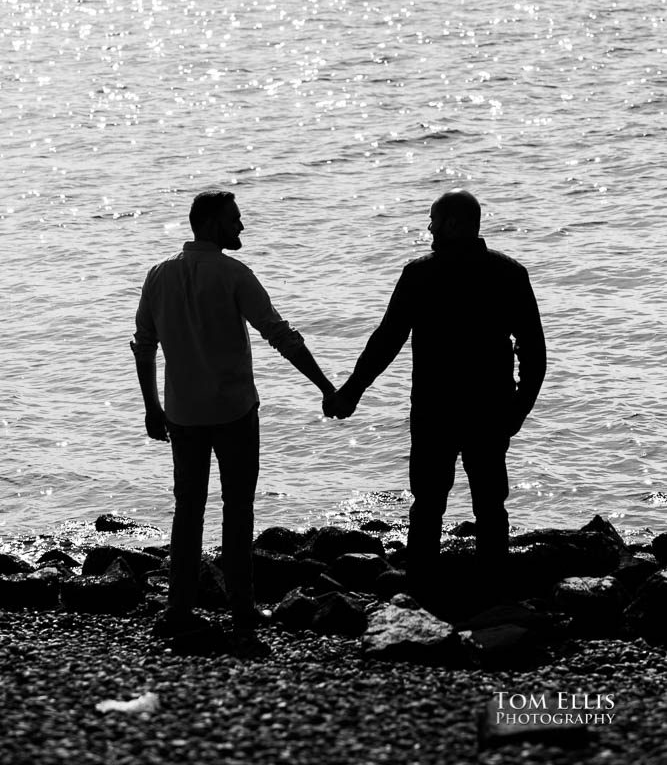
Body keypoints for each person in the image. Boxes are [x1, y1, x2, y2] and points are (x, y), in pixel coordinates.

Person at [132, 189, 334, 635]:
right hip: (233, 412)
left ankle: (178, 610)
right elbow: (281, 336)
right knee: (237, 510)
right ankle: (241, 609)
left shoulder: (158, 276)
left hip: (182, 414)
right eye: (234, 219)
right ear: (210, 223)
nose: (241, 226)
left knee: (188, 511)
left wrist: (151, 406)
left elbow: (144, 345)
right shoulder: (233, 274)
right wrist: (326, 387)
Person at [323, 189, 546, 593]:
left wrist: (351, 392)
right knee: (490, 504)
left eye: (435, 220)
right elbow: (535, 352)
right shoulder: (509, 273)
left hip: (434, 409)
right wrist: (517, 411)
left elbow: (386, 341)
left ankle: (421, 588)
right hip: (490, 407)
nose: (429, 227)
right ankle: (494, 588)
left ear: (455, 224)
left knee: (427, 504)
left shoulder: (421, 273)